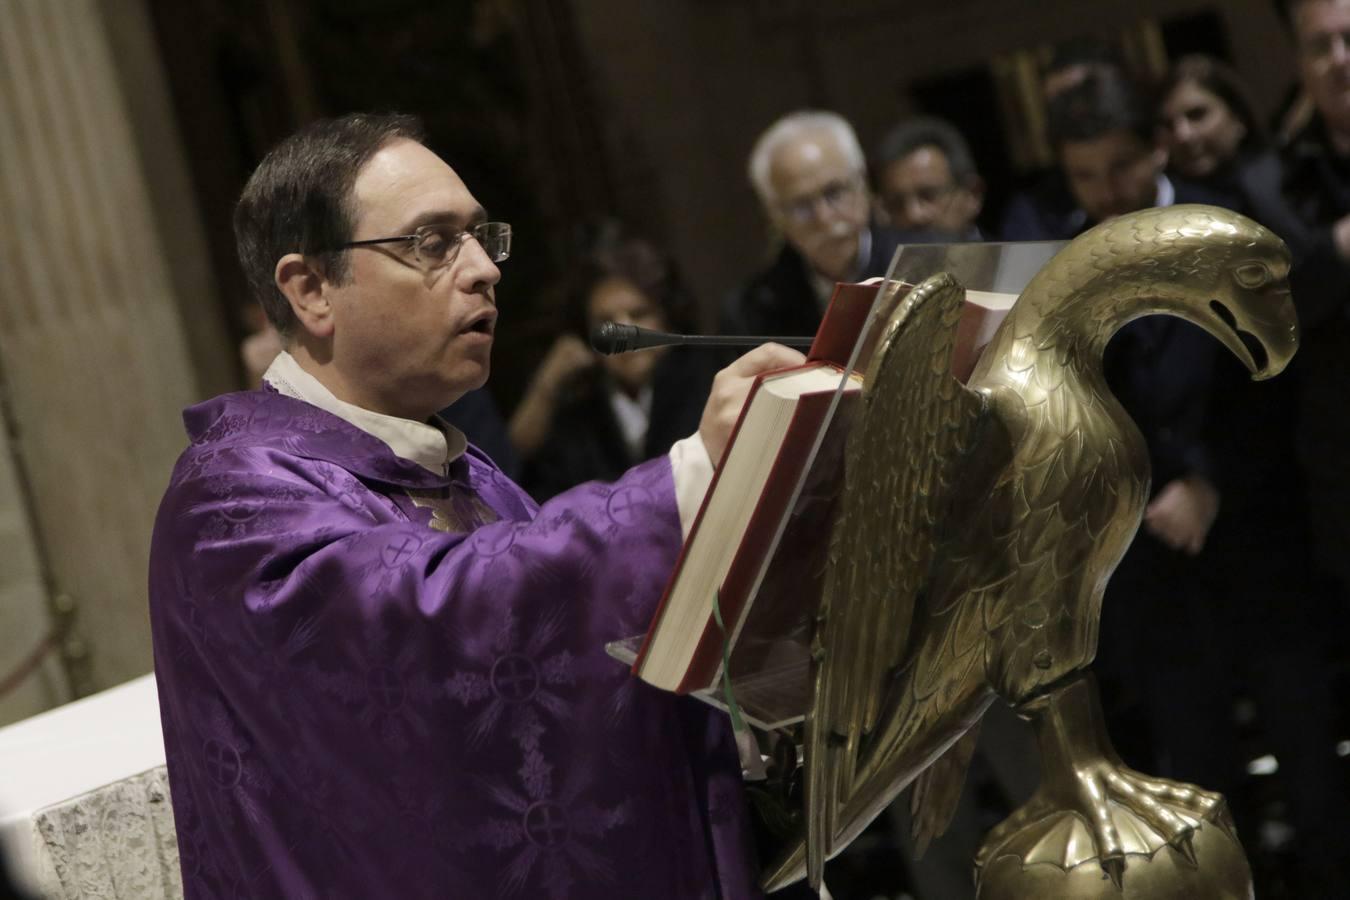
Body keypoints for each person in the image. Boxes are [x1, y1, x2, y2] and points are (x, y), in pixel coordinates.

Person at [147, 112, 804, 898]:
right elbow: (428, 625)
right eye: (432, 242)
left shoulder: (468, 474)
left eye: (481, 237)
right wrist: (693, 479)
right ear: (310, 289)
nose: (484, 269)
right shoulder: (234, 500)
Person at [521, 231, 715, 502]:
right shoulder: (577, 415)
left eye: (638, 314)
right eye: (605, 322)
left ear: (667, 319)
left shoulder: (710, 386)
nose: (623, 333)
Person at [725, 110, 934, 339]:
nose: (823, 217)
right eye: (801, 205)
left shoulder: (930, 265)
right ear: (775, 216)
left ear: (862, 183)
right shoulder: (749, 313)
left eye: (834, 192)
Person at [1281, 0, 1350, 597]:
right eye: (1320, 47)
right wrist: (1336, 250)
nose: (1339, 62)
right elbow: (1272, 313)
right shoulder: (1270, 181)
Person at [1155, 55, 1309, 243]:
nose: (1182, 135)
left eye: (1197, 115)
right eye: (1168, 125)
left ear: (1238, 117)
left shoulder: (1294, 179)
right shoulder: (1165, 213)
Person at [872, 116, 985, 238]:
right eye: (897, 204)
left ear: (973, 194)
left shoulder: (1007, 256)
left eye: (929, 195)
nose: (913, 215)